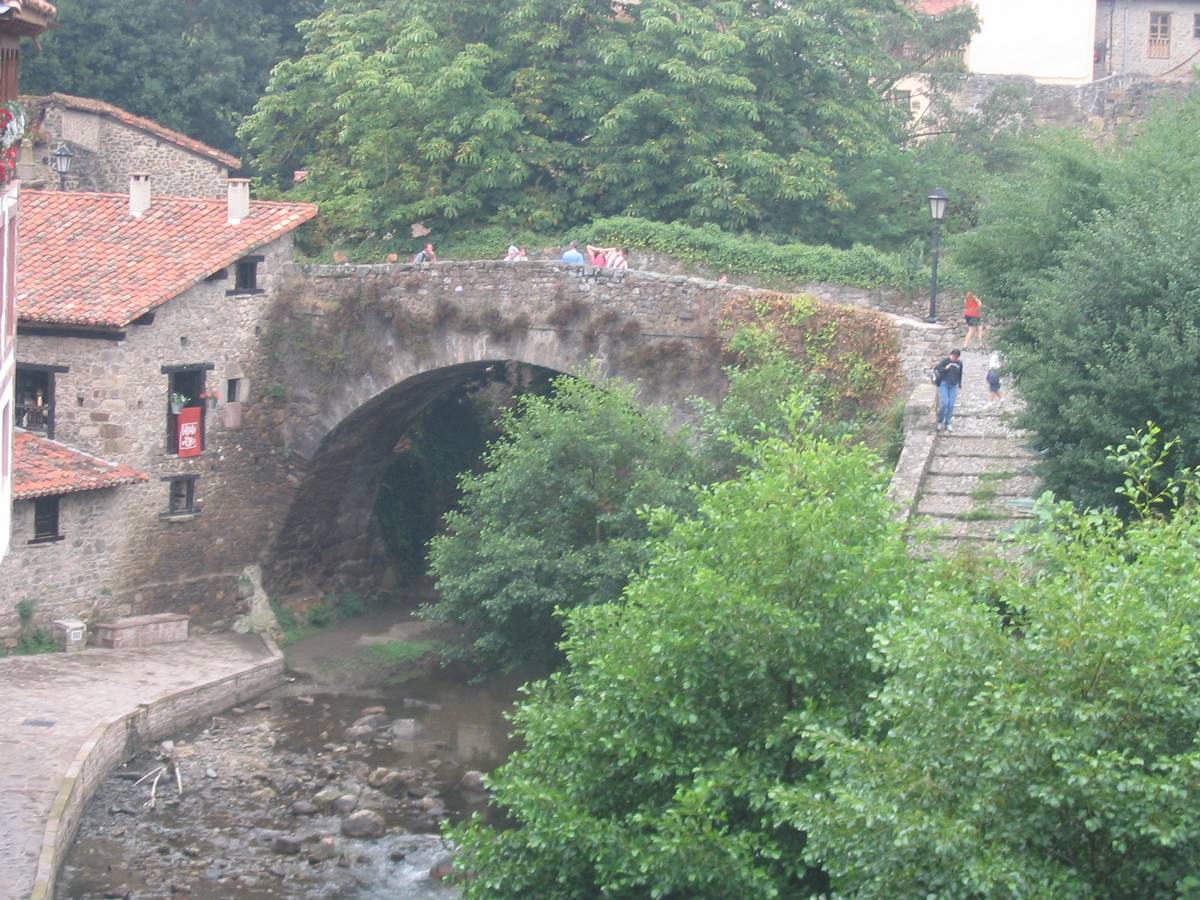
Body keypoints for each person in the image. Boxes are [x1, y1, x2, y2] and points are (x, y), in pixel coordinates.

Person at [932, 349, 964, 432]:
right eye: (953, 356)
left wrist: (959, 383)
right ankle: (940, 421)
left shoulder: (959, 363)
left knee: (951, 405)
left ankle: (948, 422)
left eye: (956, 357)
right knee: (945, 403)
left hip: (953, 385)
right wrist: (945, 368)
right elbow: (937, 368)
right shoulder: (946, 361)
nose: (954, 358)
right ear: (951, 355)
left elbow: (960, 373)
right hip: (944, 384)